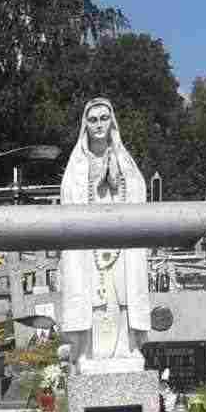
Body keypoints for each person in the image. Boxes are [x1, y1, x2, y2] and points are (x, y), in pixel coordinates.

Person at [59, 98, 151, 371]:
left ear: (112, 122)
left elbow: (138, 194)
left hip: (121, 244)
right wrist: (92, 180)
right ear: (85, 125)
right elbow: (69, 199)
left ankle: (126, 349)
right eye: (93, 119)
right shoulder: (78, 164)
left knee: (122, 294)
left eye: (103, 118)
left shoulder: (123, 160)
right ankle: (88, 352)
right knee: (90, 295)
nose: (99, 124)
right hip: (88, 246)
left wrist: (118, 180)